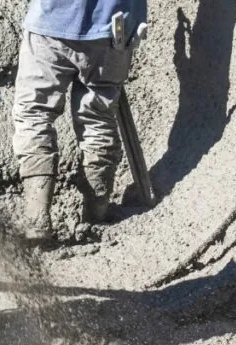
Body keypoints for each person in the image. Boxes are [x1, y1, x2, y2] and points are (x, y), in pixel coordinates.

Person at [12, 0, 147, 242]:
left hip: (52, 22)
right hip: (113, 30)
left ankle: (37, 219)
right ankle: (96, 213)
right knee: (98, 118)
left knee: (34, 113)